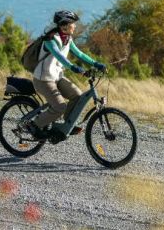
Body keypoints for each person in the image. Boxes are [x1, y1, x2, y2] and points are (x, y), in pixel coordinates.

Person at [28, 10, 106, 142]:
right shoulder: (50, 39)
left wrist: (96, 64)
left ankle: (66, 125)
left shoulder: (67, 38)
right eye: (72, 24)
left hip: (56, 77)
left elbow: (79, 54)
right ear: (64, 25)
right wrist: (73, 67)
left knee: (77, 95)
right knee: (60, 106)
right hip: (43, 80)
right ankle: (33, 125)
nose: (75, 26)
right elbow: (58, 55)